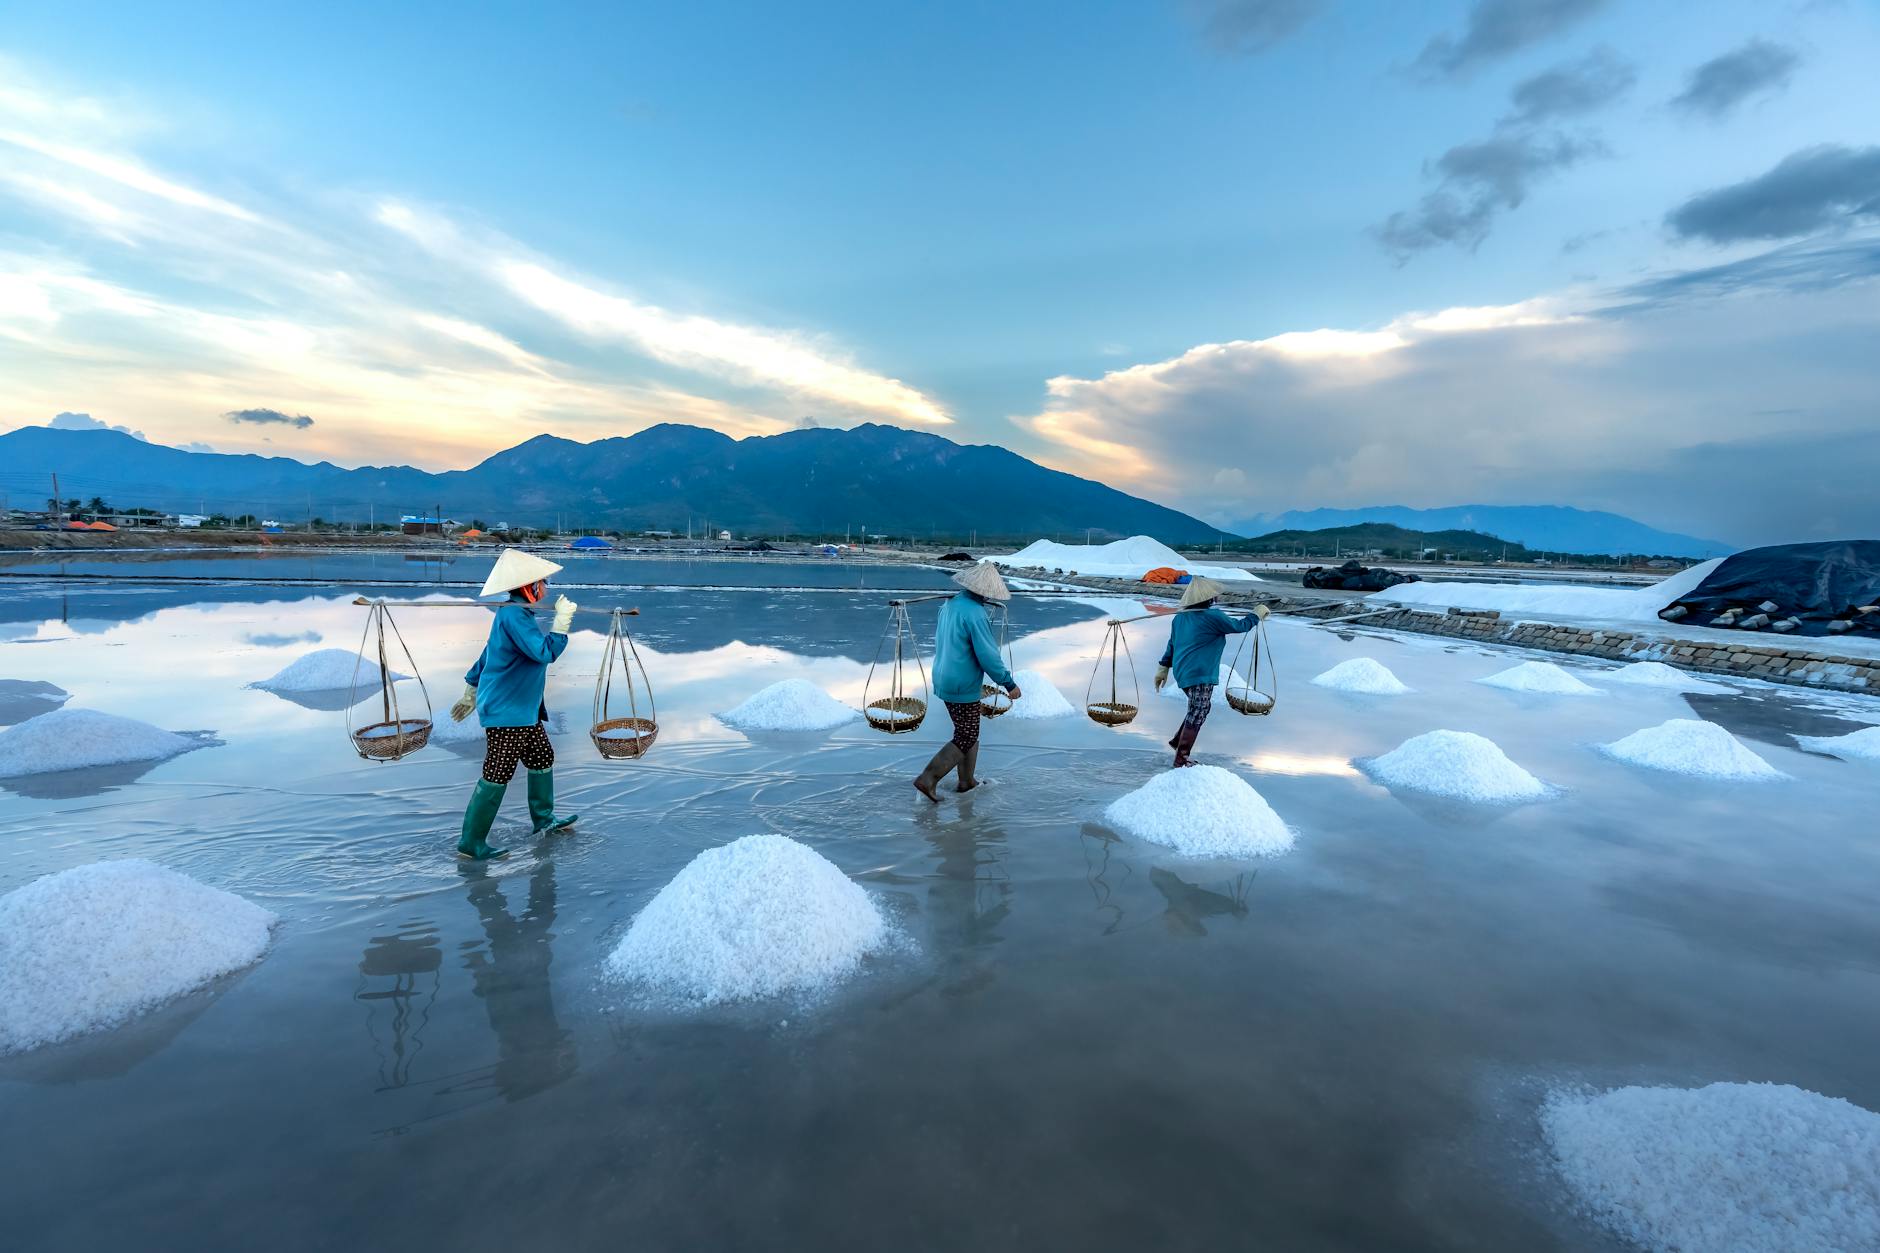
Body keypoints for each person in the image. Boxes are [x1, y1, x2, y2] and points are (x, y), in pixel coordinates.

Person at [448, 548, 580, 859]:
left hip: (524, 708)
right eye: (542, 583)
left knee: (541, 756)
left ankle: (544, 820)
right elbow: (543, 653)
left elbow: (489, 654)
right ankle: (471, 842)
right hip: (508, 709)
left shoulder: (512, 615)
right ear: (528, 587)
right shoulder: (514, 616)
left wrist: (470, 686)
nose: (545, 589)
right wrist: (562, 624)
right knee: (498, 770)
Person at [914, 561, 1021, 802]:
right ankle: (928, 778)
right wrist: (1008, 683)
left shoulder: (950, 604)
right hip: (962, 682)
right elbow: (988, 656)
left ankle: (966, 781)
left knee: (967, 731)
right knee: (966, 735)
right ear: (984, 592)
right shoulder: (975, 613)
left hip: (944, 675)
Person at [1153, 577, 1269, 768]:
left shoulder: (1180, 618)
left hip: (1183, 671)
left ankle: (1177, 741)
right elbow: (1239, 626)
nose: (1217, 598)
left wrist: (1163, 668)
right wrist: (1256, 615)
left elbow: (1171, 645)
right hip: (1200, 672)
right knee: (1198, 710)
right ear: (1209, 599)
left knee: (1199, 708)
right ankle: (1181, 758)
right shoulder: (1213, 616)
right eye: (1215, 596)